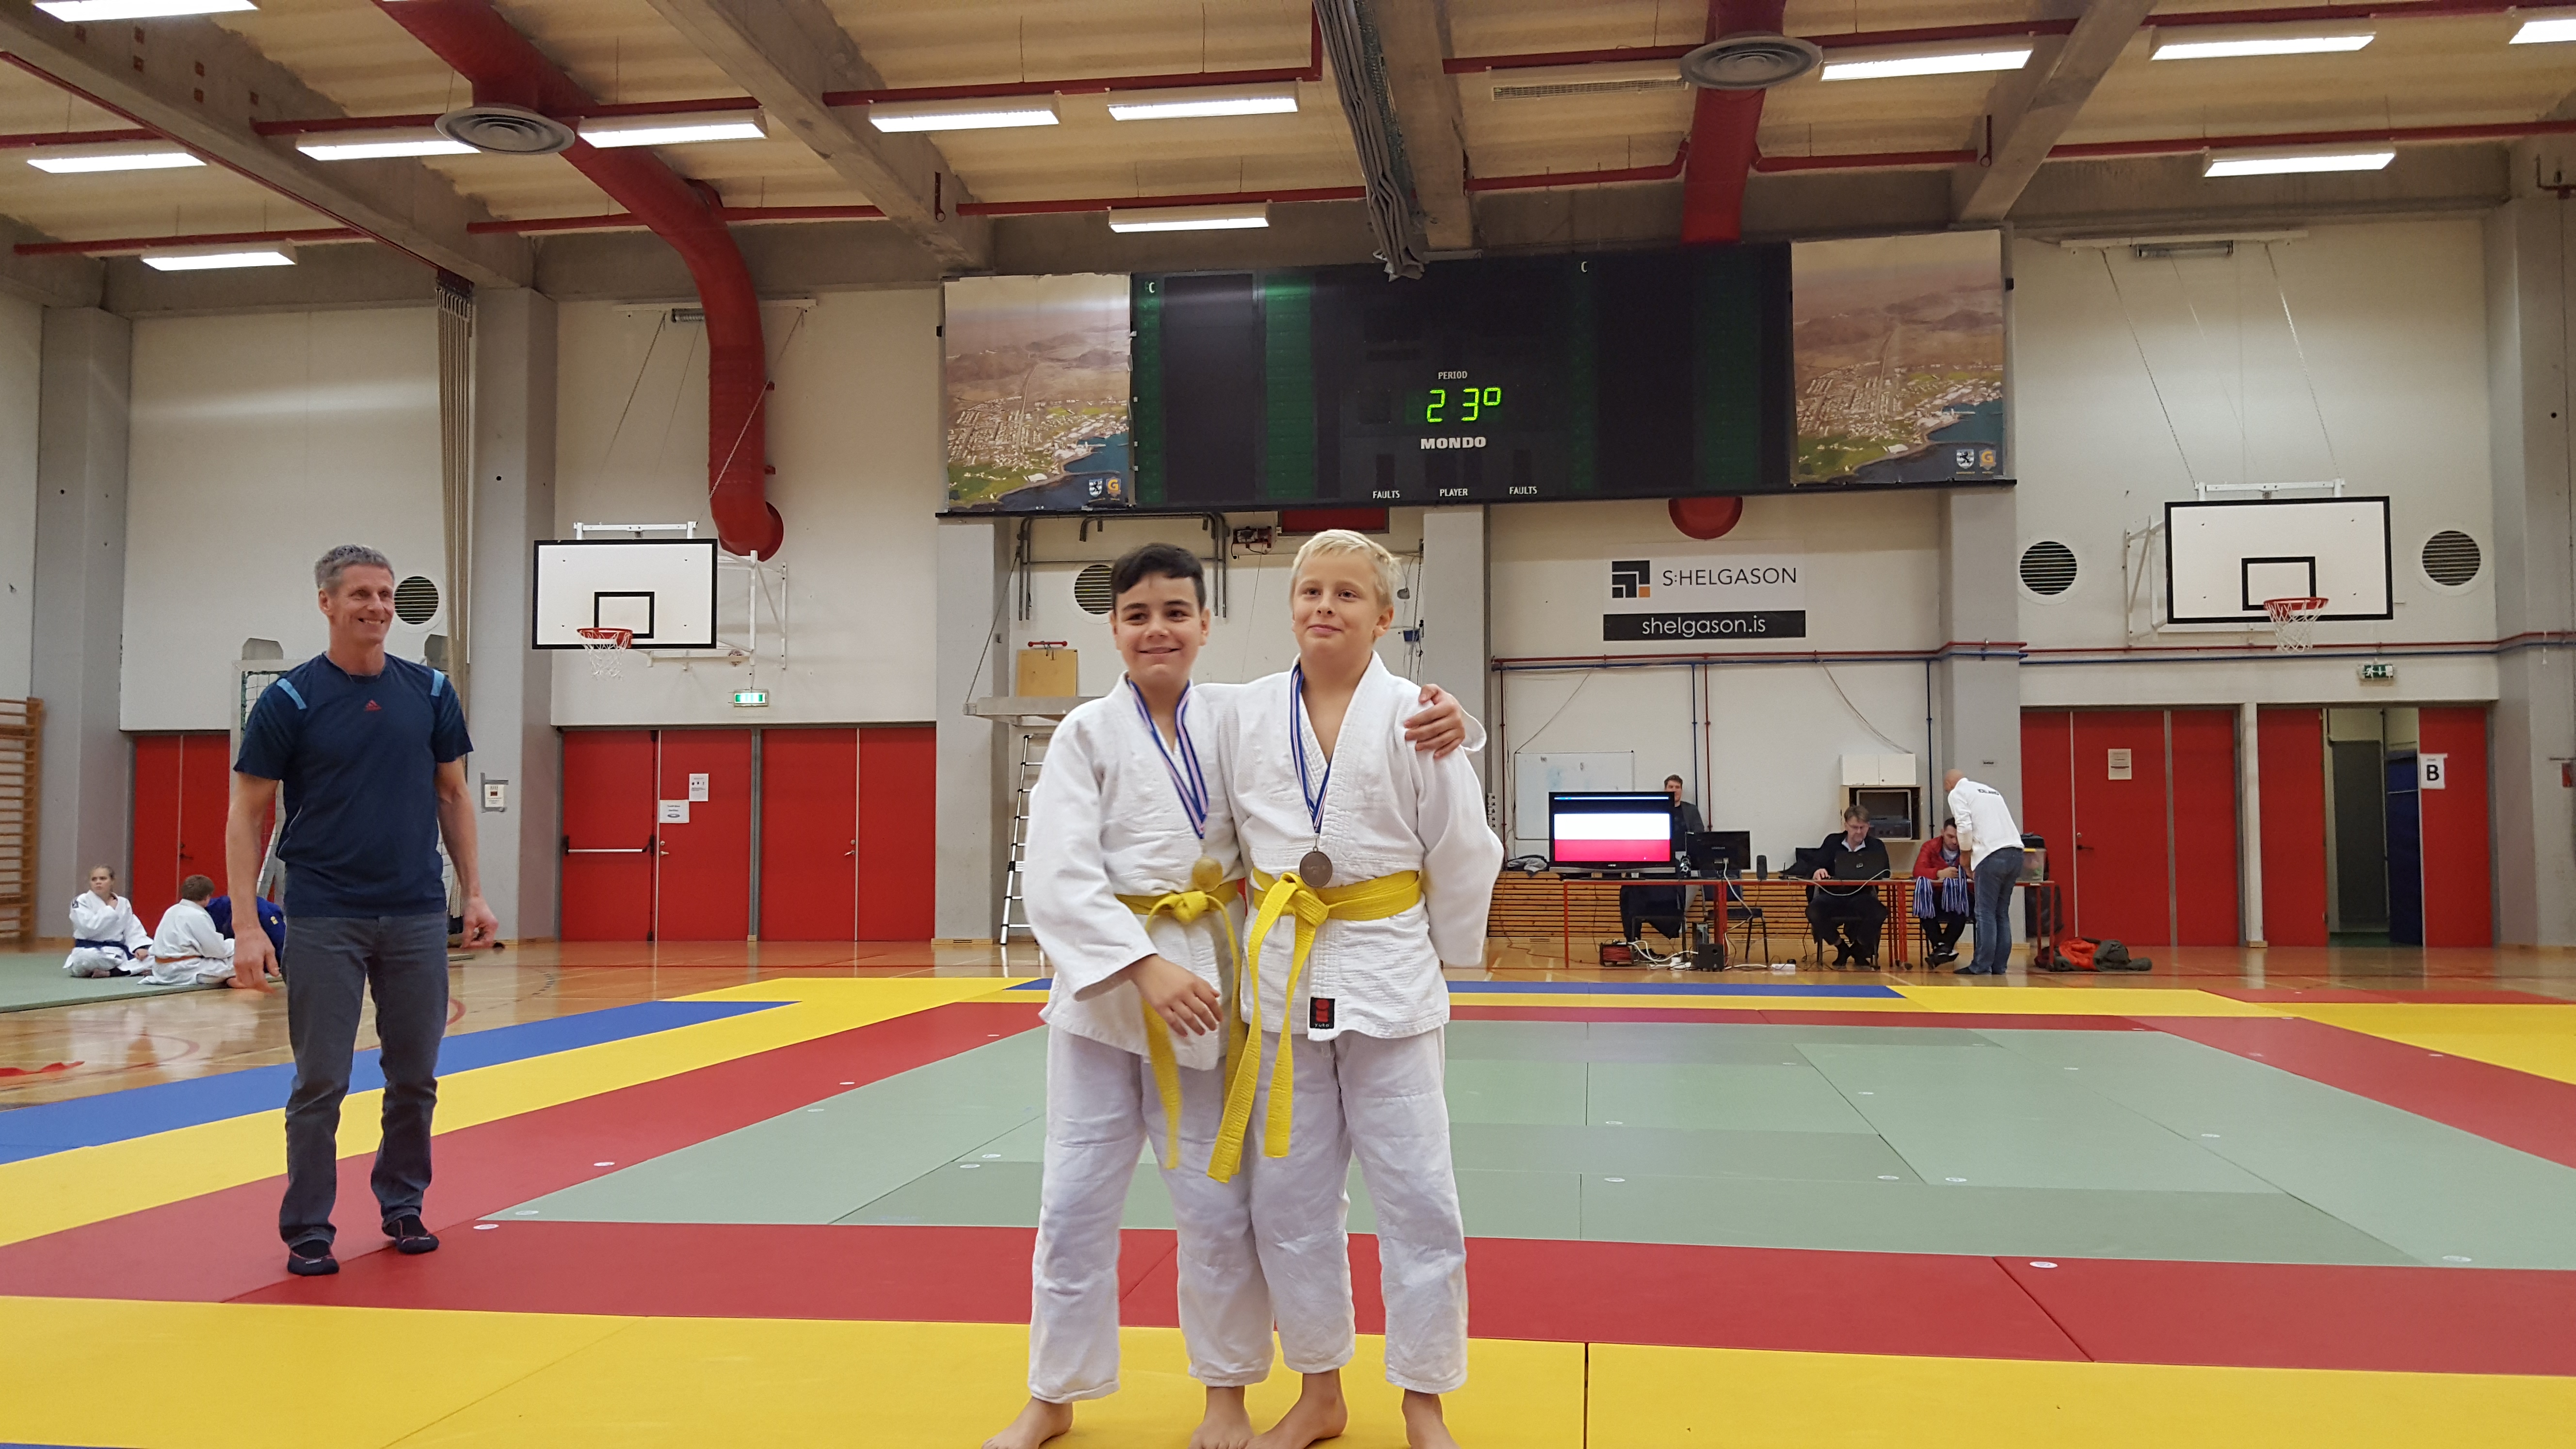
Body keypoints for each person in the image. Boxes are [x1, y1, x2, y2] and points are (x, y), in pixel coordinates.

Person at [985, 542, 1479, 1449]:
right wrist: (1139, 963)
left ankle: (1228, 1392)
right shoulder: (1096, 732)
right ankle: (1054, 1393)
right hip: (1112, 998)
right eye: (1138, 615)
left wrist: (1458, 722)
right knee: (1074, 1204)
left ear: (1206, 625)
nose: (1158, 630)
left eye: (1176, 612)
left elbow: (1375, 728)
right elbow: (1054, 875)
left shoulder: (1234, 713)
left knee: (1220, 1212)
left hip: (1217, 999)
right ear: (1113, 628)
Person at [1216, 529, 1503, 1449]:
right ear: (1290, 606)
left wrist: (1448, 952)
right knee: (1289, 1204)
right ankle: (1319, 1392)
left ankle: (1425, 1399)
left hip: (1388, 975)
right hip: (1281, 980)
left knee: (1420, 1196)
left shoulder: (1417, 717)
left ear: (1384, 619)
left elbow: (1463, 846)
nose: (1324, 607)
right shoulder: (1243, 713)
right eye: (1310, 591)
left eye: (1347, 594)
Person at [225, 544, 497, 1279]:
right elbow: (247, 813)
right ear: (327, 603)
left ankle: (403, 1204)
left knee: (415, 1076)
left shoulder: (431, 691)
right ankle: (309, 1228)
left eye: (385, 595)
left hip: (415, 912)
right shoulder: (290, 700)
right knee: (320, 1082)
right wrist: (247, 926)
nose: (376, 607)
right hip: (324, 914)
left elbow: (453, 794)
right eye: (360, 595)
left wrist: (473, 891)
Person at [1944, 769, 2025, 976]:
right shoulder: (1990, 791)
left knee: (1985, 912)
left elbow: (1964, 827)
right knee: (2001, 912)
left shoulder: (1957, 792)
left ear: (1949, 785)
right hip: (2016, 853)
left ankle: (1980, 966)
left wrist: (1965, 856)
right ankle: (1999, 966)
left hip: (1991, 856)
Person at [1617, 775, 1705, 960]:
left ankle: (1675, 923)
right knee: (1632, 892)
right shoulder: (1655, 808)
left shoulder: (1690, 810)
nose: (1674, 790)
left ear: (1681, 790)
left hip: (1682, 861)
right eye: (1671, 787)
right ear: (1665, 789)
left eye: (1677, 787)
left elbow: (1699, 836)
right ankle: (1636, 941)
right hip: (1656, 860)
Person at [1807, 805, 1890, 968]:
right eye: (1854, 827)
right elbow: (1814, 865)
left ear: (1868, 827)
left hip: (1862, 896)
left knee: (1879, 912)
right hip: (1832, 896)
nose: (1859, 832)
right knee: (1813, 912)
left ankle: (1859, 948)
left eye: (1863, 828)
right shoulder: (1832, 842)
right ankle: (1841, 947)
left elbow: (1886, 872)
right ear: (1846, 826)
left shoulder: (1876, 846)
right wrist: (1818, 871)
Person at [138, 874, 238, 986]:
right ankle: (232, 979)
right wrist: (234, 943)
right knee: (237, 961)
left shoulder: (171, 910)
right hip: (186, 970)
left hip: (160, 970)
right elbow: (217, 951)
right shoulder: (198, 915)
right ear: (207, 898)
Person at [63, 866, 151, 978]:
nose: (98, 882)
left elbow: (132, 929)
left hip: (115, 954)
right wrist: (109, 910)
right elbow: (89, 928)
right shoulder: (80, 901)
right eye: (94, 879)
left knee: (154, 956)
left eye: (103, 879)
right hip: (88, 952)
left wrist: (140, 948)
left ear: (112, 881)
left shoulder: (123, 903)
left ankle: (110, 972)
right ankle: (124, 969)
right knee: (87, 958)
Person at [1911, 820, 1972, 967]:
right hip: (1936, 896)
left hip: (1961, 897)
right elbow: (1918, 871)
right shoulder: (1930, 846)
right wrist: (1939, 873)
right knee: (1924, 901)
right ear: (1942, 833)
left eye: (1959, 838)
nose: (1955, 842)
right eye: (1951, 837)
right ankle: (1944, 948)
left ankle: (1941, 949)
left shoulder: (1970, 848)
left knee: (1963, 903)